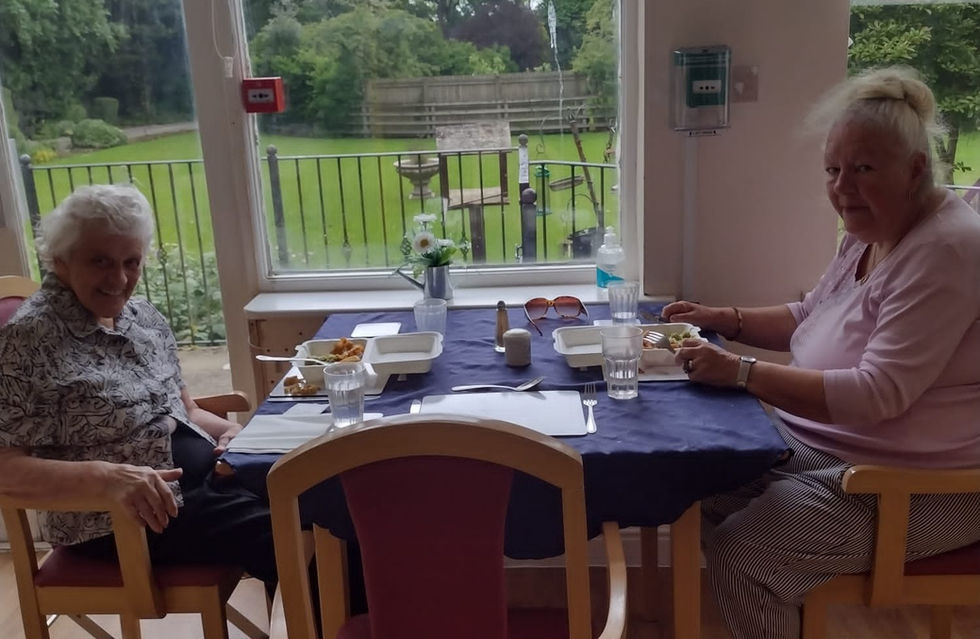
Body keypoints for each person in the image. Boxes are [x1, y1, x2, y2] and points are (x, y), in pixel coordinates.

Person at [662, 66, 980, 639]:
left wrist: (740, 373)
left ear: (914, 169)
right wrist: (723, 319)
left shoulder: (948, 250)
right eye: (833, 170)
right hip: (830, 449)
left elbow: (878, 393)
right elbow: (810, 316)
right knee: (699, 472)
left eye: (862, 169)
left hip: (922, 484)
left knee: (745, 551)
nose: (842, 187)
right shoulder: (870, 230)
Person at [0, 184, 277, 594]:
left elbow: (187, 411)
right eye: (100, 262)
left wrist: (228, 434)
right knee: (293, 535)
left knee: (320, 494)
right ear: (60, 261)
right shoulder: (29, 339)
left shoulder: (141, 317)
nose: (120, 278)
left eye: (131, 262)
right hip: (125, 518)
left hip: (205, 486)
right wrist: (108, 479)